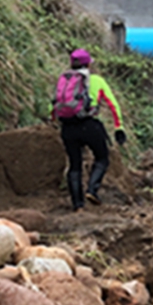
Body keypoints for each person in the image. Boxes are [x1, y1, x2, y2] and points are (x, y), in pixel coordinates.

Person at [52, 48, 126, 211]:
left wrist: (53, 120)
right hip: (89, 125)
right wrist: (118, 127)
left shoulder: (64, 80)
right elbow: (113, 104)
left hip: (68, 127)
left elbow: (55, 103)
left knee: (74, 165)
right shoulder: (96, 80)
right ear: (88, 65)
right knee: (102, 158)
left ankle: (77, 205)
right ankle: (92, 190)